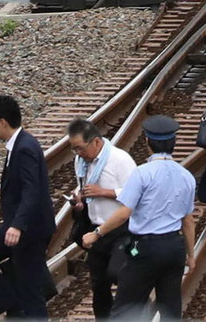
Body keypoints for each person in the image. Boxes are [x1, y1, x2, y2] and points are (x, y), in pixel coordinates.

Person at [86, 116, 195, 321]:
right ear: (173, 143)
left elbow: (124, 213)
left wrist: (97, 233)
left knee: (124, 309)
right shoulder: (186, 176)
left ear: (147, 142)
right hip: (174, 247)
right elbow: (188, 221)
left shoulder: (142, 174)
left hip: (144, 249)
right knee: (171, 309)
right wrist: (191, 255)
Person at [0, 95, 56, 319]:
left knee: (31, 289)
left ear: (2, 122)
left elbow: (31, 190)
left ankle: (20, 310)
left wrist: (17, 225)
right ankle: (13, 308)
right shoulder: (19, 144)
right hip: (19, 226)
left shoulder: (24, 147)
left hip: (29, 230)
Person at [68, 119, 137, 319]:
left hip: (122, 228)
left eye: (81, 148)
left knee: (118, 273)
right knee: (98, 283)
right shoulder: (81, 162)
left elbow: (135, 194)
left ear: (96, 142)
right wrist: (80, 200)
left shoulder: (120, 160)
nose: (78, 153)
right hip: (95, 228)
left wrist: (104, 192)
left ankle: (138, 308)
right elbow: (85, 189)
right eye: (74, 149)